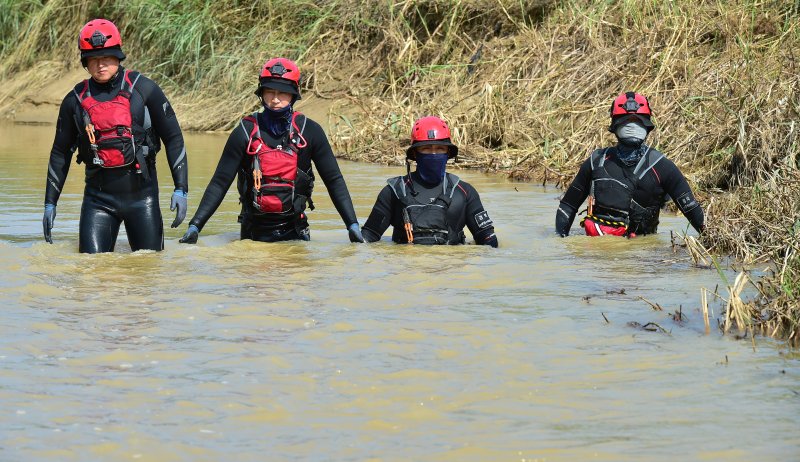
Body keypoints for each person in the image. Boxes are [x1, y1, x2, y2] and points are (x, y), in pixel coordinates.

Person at [179, 57, 363, 244]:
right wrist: (195, 226)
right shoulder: (245, 131)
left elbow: (334, 180)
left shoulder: (310, 131)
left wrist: (352, 225)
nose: (275, 99)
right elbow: (220, 183)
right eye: (270, 92)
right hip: (252, 237)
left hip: (296, 233)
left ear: (294, 94)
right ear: (261, 93)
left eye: (282, 93)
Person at [43, 18, 188, 253]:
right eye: (93, 59)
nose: (100, 64)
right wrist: (50, 202)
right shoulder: (74, 101)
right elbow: (60, 153)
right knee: (91, 273)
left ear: (118, 56)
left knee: (147, 271)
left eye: (107, 57)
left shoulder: (145, 89)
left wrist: (181, 188)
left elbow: (174, 138)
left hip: (143, 200)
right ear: (85, 62)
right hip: (97, 202)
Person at [555, 92, 704, 237]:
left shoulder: (663, 167)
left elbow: (691, 210)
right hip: (597, 257)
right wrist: (560, 240)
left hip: (641, 257)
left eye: (638, 120)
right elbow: (568, 206)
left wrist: (710, 238)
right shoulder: (596, 161)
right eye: (626, 120)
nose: (632, 126)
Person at [361, 116, 498, 247]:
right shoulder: (393, 192)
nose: (433, 154)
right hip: (406, 270)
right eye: (426, 148)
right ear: (415, 153)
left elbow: (487, 239)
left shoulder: (464, 192)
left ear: (448, 152)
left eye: (439, 148)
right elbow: (368, 237)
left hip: (450, 268)